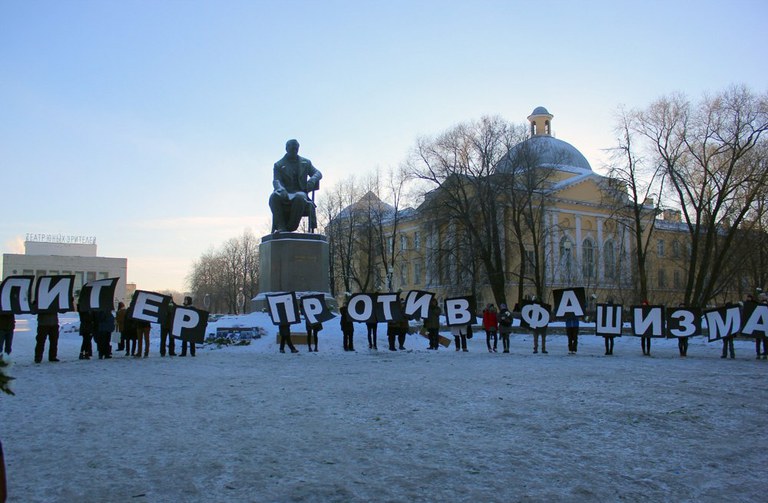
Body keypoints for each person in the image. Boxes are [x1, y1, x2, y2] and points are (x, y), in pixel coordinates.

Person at [269, 139, 323, 233]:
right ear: (286, 149)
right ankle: (281, 227)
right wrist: (281, 189)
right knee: (273, 197)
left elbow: (318, 173)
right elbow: (276, 180)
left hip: (300, 193)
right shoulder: (278, 164)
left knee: (300, 197)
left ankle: (290, 227)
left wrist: (312, 180)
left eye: (296, 149)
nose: (294, 150)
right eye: (292, 148)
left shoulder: (306, 162)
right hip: (285, 192)